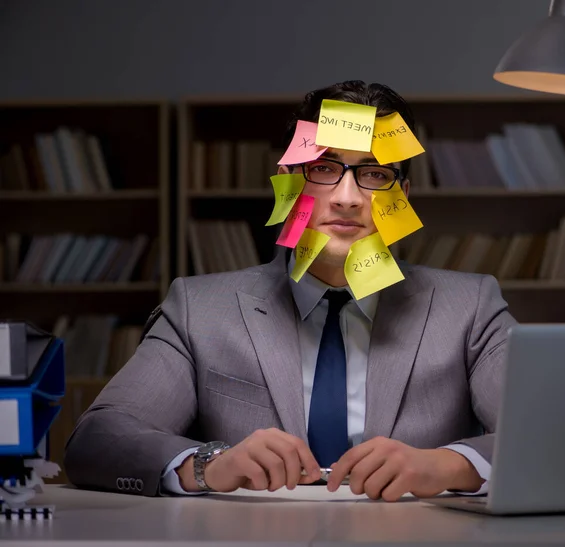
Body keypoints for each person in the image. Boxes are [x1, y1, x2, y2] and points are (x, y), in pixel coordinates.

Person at [64, 80, 516, 502]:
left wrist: (450, 465)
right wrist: (207, 465)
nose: (348, 198)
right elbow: (98, 439)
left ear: (404, 194)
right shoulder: (199, 310)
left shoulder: (469, 308)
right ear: (289, 182)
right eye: (323, 168)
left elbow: (560, 432)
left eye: (375, 174)